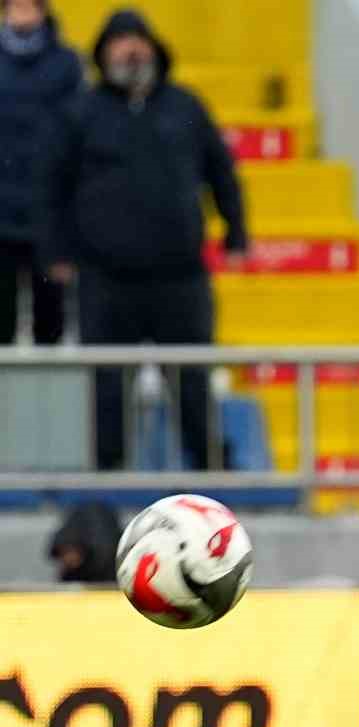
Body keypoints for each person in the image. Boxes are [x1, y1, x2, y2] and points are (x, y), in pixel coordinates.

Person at [36, 8, 247, 469]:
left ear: (154, 50)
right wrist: (54, 251)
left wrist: (236, 231)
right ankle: (106, 479)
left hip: (180, 277)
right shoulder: (81, 112)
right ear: (103, 54)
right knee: (107, 387)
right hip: (106, 279)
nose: (130, 51)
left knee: (192, 381)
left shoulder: (186, 107)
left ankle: (211, 470)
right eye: (120, 44)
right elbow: (52, 187)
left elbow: (222, 173)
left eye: (138, 42)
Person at [0, 0, 80, 345]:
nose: (20, 11)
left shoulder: (67, 63)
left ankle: (48, 401)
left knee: (51, 324)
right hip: (0, 217)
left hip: (48, 217)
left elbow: (77, 136)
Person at [46, 498, 120, 582]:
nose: (68, 558)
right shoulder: (68, 571)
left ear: (80, 549)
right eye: (64, 553)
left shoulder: (108, 558)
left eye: (70, 552)